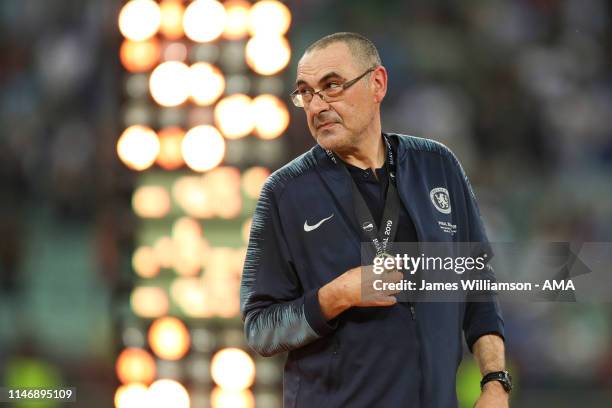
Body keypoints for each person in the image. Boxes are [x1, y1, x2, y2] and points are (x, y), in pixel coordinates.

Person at [240, 32, 510, 408]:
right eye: (305, 92)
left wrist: (494, 381)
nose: (316, 106)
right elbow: (260, 330)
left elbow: (477, 286)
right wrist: (335, 297)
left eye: (332, 86)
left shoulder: (438, 166)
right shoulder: (285, 192)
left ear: (377, 84)